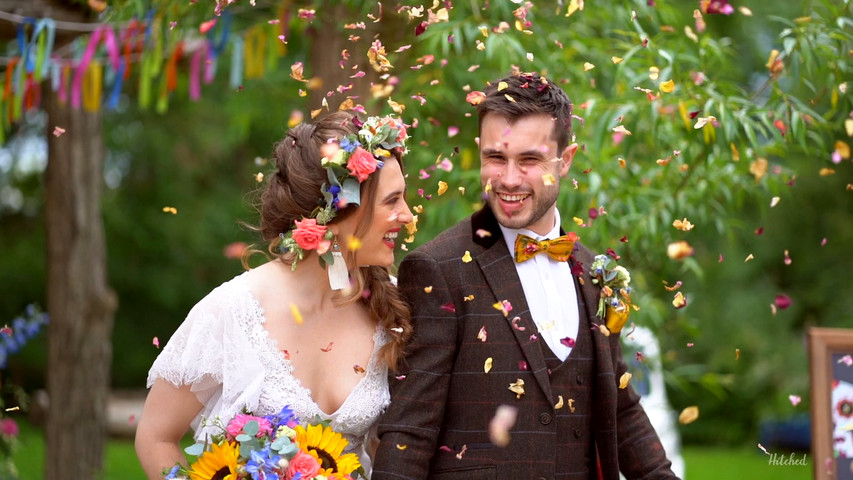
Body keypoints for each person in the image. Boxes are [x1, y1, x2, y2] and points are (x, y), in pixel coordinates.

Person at [372, 72, 679, 480]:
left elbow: (620, 407)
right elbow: (410, 430)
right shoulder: (438, 268)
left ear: (565, 160)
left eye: (529, 160)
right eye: (496, 158)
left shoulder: (594, 273)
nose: (509, 179)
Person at [135, 110, 414, 479]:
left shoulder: (392, 308)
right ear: (336, 210)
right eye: (391, 201)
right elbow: (155, 437)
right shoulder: (232, 310)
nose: (407, 215)